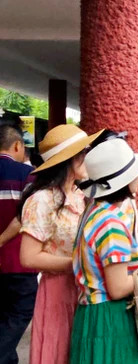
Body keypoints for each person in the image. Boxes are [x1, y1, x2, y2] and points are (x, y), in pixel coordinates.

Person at [70, 137, 138, 363]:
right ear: (123, 180)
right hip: (110, 319)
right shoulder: (112, 223)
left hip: (92, 315)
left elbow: (105, 264)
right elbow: (119, 288)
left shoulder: (95, 212)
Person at [17, 124, 102, 364]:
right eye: (85, 151)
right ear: (70, 158)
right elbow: (29, 257)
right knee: (60, 352)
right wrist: (78, 263)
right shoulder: (42, 199)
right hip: (58, 291)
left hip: (83, 287)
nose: (89, 156)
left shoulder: (81, 194)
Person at [0, 124, 35, 364]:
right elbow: (26, 215)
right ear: (17, 145)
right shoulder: (27, 175)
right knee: (18, 314)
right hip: (19, 263)